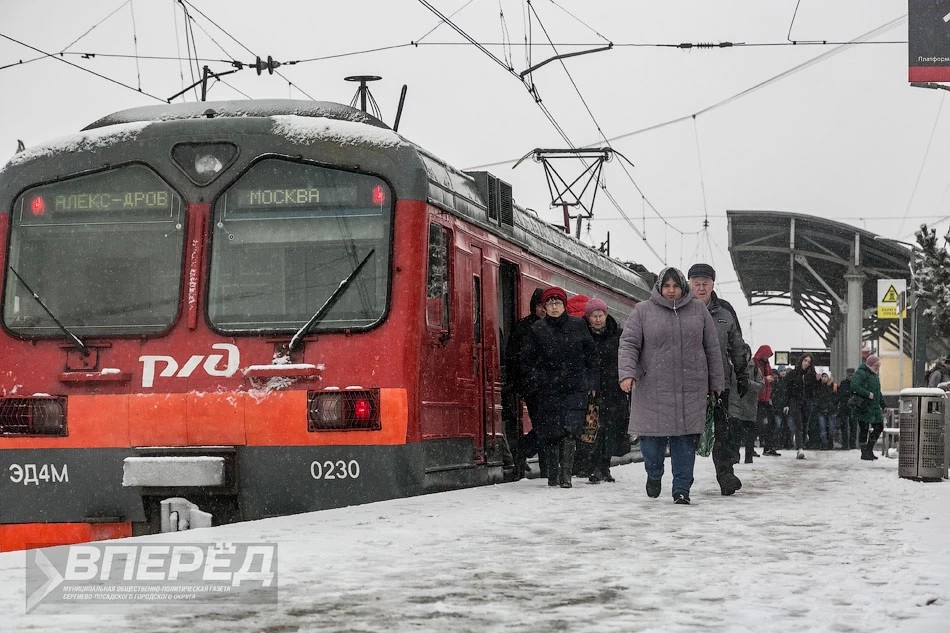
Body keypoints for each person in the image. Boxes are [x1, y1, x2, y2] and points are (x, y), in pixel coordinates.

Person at [618, 267, 724, 505]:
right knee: (652, 445)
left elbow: (712, 349)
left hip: (690, 389)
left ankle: (681, 489)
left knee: (684, 443)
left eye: (676, 286)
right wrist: (627, 373)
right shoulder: (642, 311)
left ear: (683, 287)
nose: (671, 290)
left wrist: (716, 382)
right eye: (667, 286)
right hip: (651, 387)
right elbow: (629, 344)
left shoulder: (698, 310)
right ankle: (654, 474)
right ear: (659, 287)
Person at [521, 287, 596, 488]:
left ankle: (566, 477)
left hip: (574, 387)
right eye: (550, 304)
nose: (554, 307)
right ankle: (553, 476)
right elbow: (527, 359)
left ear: (564, 306)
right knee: (552, 433)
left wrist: (589, 381)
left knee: (570, 431)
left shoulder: (579, 325)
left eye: (558, 303)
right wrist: (536, 381)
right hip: (547, 390)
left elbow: (591, 356)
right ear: (544, 307)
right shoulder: (537, 329)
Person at [688, 263, 749, 495]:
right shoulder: (679, 307)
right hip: (688, 383)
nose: (701, 288)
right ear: (689, 284)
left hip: (718, 381)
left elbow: (737, 344)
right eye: (696, 283)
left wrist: (742, 374)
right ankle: (684, 478)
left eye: (705, 283)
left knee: (723, 430)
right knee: (687, 432)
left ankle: (725, 474)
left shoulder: (725, 311)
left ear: (713, 284)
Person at [583, 298, 628, 483]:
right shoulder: (583, 336)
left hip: (613, 391)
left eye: (601, 315)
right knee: (593, 430)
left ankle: (605, 467)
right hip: (592, 392)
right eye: (594, 316)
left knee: (610, 429)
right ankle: (593, 467)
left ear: (606, 315)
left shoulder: (618, 335)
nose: (598, 319)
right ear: (588, 318)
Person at [502, 288, 545, 480]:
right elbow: (514, 358)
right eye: (540, 306)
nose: (544, 309)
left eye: (546, 305)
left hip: (552, 386)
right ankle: (547, 468)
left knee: (550, 426)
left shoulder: (559, 327)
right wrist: (520, 384)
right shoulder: (524, 328)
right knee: (545, 426)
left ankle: (523, 449)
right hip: (534, 387)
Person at [729, 343, 764, 463]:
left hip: (750, 407)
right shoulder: (731, 368)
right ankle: (735, 457)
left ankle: (749, 458)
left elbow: (761, 386)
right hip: (734, 405)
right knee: (735, 435)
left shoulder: (755, 369)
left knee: (749, 436)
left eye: (746, 354)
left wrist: (748, 383)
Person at [784, 353, 819, 459]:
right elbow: (788, 390)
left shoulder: (812, 375)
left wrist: (818, 382)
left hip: (807, 402)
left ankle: (801, 445)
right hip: (796, 401)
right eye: (805, 361)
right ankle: (800, 448)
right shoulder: (793, 374)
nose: (806, 363)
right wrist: (786, 404)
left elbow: (815, 391)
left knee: (805, 425)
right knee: (799, 425)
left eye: (809, 362)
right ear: (801, 361)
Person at [852, 354, 885, 461]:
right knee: (864, 429)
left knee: (879, 427)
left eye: (878, 366)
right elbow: (854, 386)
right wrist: (867, 394)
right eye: (876, 365)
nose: (878, 368)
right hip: (864, 406)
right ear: (870, 365)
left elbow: (878, 393)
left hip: (874, 407)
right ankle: (864, 452)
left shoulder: (874, 376)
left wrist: (883, 405)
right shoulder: (861, 373)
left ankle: (869, 450)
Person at [753, 345, 779, 456]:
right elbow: (753, 379)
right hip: (758, 398)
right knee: (761, 424)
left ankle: (768, 446)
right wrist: (766, 379)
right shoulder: (755, 364)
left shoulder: (765, 363)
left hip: (765, 398)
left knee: (770, 423)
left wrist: (772, 378)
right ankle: (764, 446)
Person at [814, 372, 838, 450]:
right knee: (822, 428)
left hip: (831, 410)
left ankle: (830, 443)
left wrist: (833, 405)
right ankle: (824, 444)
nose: (824, 378)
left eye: (825, 376)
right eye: (823, 376)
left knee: (831, 429)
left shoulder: (834, 387)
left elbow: (837, 398)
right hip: (822, 410)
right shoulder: (819, 387)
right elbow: (817, 398)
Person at [836, 368, 858, 450]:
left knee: (853, 426)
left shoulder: (856, 383)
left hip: (852, 407)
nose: (850, 376)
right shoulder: (843, 383)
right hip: (844, 407)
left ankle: (852, 445)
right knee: (844, 426)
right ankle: (845, 444)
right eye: (849, 374)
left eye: (851, 374)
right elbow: (841, 395)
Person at [771, 366, 790, 452]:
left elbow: (787, 396)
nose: (783, 372)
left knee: (784, 427)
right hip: (777, 408)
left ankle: (782, 443)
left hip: (784, 407)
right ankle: (777, 443)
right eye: (781, 371)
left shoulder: (787, 383)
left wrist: (786, 404)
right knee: (778, 426)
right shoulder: (776, 383)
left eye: (784, 371)